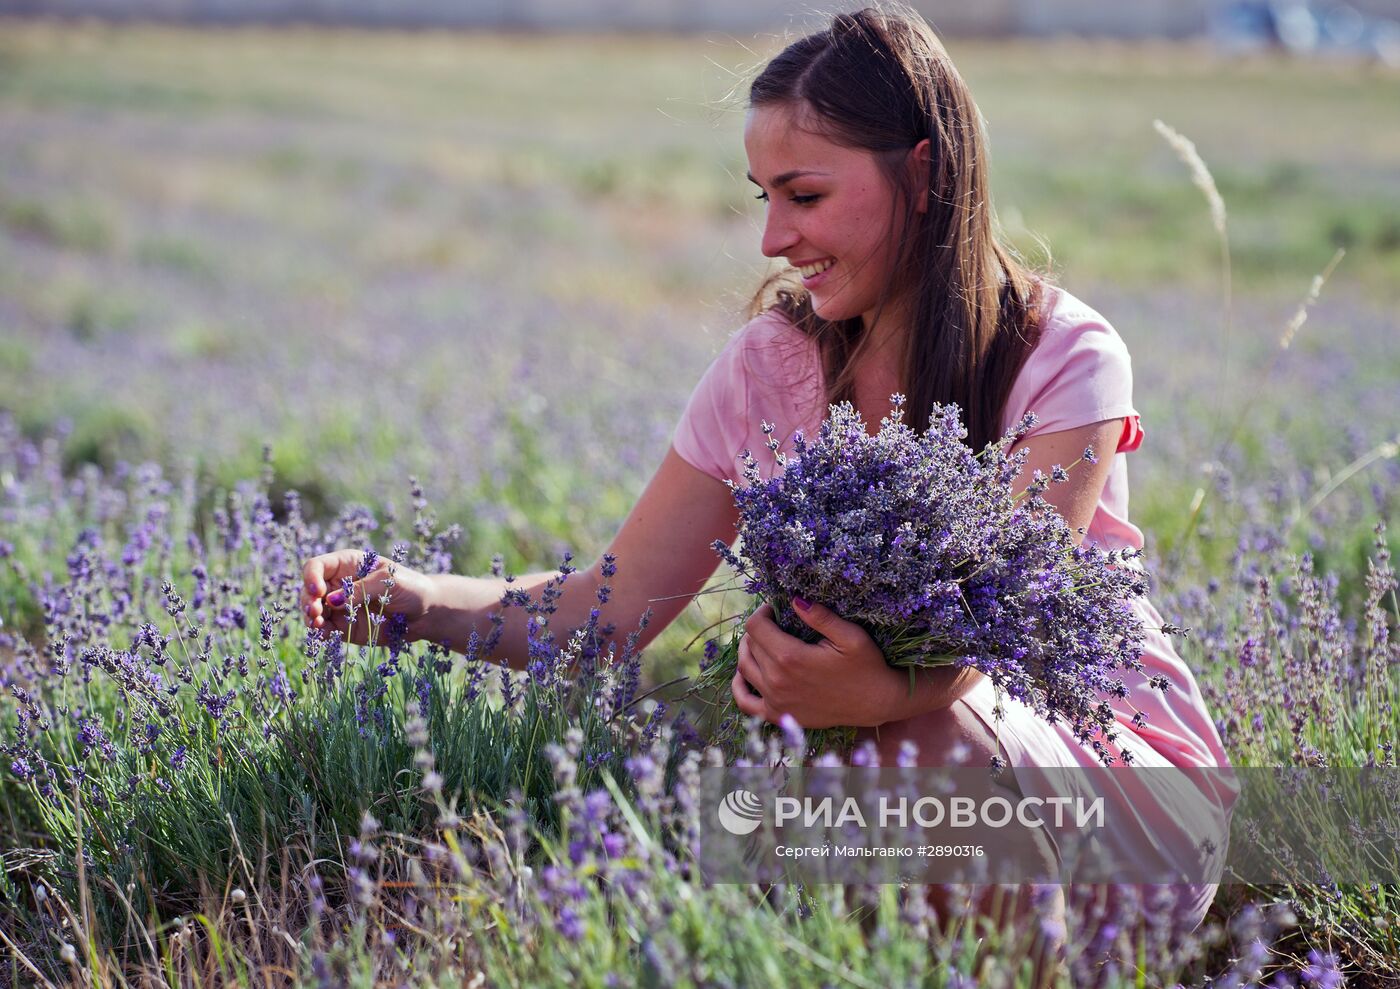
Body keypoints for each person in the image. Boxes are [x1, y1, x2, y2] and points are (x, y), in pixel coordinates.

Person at [300, 4, 1234, 977]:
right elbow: (609, 610)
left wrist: (880, 688)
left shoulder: (1059, 354)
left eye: (803, 195)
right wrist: (412, 600)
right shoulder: (768, 370)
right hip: (865, 776)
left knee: (921, 737)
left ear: (920, 173)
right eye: (762, 197)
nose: (771, 238)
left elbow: (990, 629)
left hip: (1112, 793)